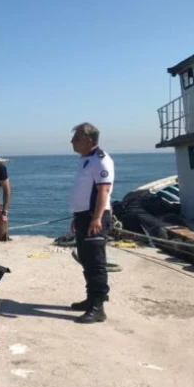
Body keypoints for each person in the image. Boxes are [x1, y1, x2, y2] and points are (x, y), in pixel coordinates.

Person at [68, 122, 114, 324]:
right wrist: (77, 218)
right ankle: (90, 299)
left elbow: (103, 191)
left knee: (96, 263)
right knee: (86, 260)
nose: (72, 141)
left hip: (94, 217)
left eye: (76, 138)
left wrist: (96, 218)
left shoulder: (100, 160)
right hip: (83, 217)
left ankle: (98, 307)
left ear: (88, 140)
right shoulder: (86, 160)